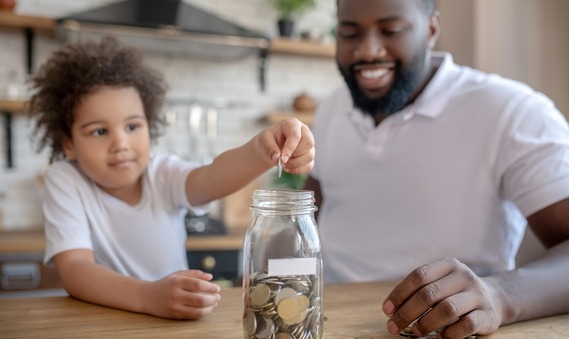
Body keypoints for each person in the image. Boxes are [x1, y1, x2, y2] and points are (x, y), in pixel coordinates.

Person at [303, 0, 569, 337]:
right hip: (327, 323)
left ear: (431, 29)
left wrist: (499, 295)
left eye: (391, 30)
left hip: (444, 330)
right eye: (349, 32)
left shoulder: (512, 111)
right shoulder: (332, 107)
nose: (367, 50)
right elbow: (304, 217)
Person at [28, 36, 314, 320]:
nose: (121, 143)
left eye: (132, 126)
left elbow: (212, 178)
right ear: (67, 143)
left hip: (172, 324)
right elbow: (75, 269)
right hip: (102, 324)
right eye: (99, 132)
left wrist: (259, 150)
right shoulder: (64, 180)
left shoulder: (161, 173)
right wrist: (147, 296)